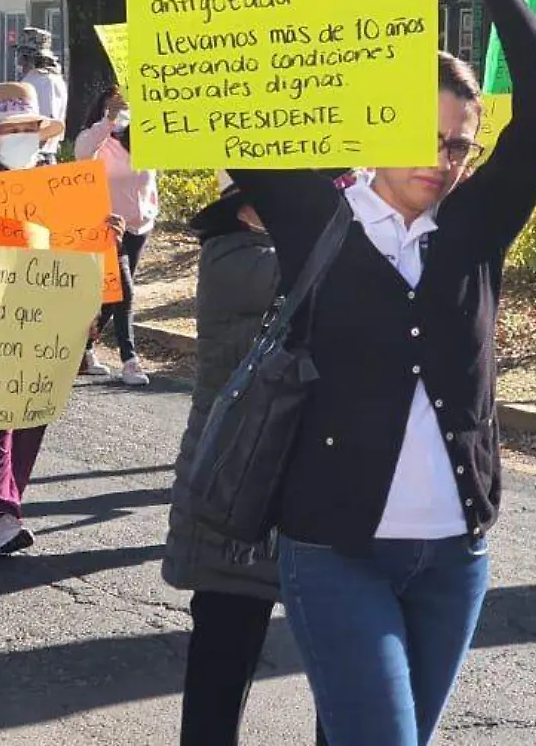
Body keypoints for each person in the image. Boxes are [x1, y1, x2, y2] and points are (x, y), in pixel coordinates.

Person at [102, 0, 536, 746]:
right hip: (333, 552)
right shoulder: (316, 212)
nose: (443, 159)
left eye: (459, 144)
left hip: (454, 558)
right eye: (425, 135)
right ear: (375, 122)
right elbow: (224, 98)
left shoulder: (475, 230)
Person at [165, 173, 297, 746]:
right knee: (224, 651)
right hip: (235, 480)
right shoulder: (236, 261)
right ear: (248, 212)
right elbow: (333, 277)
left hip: (265, 474)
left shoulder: (264, 253)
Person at [0, 82, 63, 555]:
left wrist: (105, 238)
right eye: (15, 128)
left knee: (30, 416)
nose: (24, 136)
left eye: (31, 128)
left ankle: (0, 508)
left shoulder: (57, 182)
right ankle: (4, 511)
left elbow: (73, 245)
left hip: (41, 319)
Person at [76, 85, 158, 386]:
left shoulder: (143, 140)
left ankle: (82, 351)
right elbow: (82, 152)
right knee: (124, 290)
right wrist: (108, 121)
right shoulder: (96, 140)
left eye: (125, 105)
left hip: (140, 226)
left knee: (113, 295)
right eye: (114, 105)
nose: (122, 110)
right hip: (109, 227)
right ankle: (129, 358)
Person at [16, 30, 68, 165]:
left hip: (37, 157)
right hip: (36, 154)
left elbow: (47, 122)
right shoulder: (49, 79)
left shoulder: (44, 80)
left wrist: (29, 157)